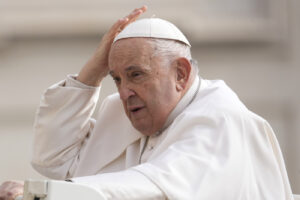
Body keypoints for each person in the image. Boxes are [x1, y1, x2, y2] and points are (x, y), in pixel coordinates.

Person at [0, 6, 294, 200]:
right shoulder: (121, 110)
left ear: (181, 73)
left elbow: (157, 186)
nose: (125, 91)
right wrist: (94, 72)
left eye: (136, 75)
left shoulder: (221, 118)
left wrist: (46, 194)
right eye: (116, 78)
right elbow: (51, 160)